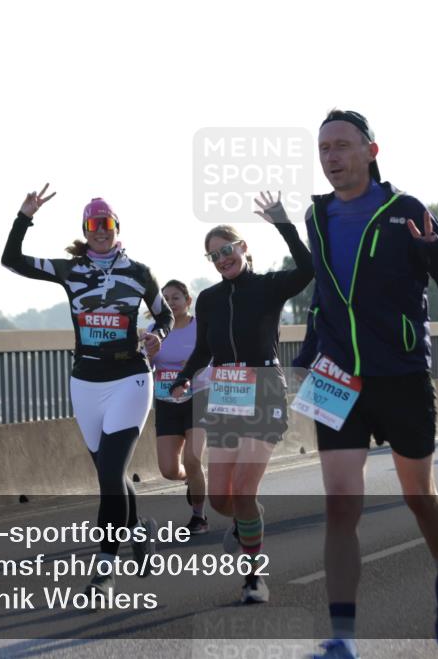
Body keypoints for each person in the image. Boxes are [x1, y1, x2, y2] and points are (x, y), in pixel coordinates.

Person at [291, 110, 438, 658]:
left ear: (372, 151)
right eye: (323, 148)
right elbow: (325, 294)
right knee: (340, 506)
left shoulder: (406, 210)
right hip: (336, 375)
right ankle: (343, 637)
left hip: (401, 374)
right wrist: (308, 352)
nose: (331, 157)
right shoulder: (316, 215)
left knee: (420, 498)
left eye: (342, 146)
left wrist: (431, 251)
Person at [1, 186, 172, 600]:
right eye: (94, 225)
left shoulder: (139, 272)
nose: (101, 231)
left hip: (130, 378)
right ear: (85, 229)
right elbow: (12, 261)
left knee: (111, 474)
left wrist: (157, 334)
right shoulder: (70, 270)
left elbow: (163, 312)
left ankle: (104, 571)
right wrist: (25, 215)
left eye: (107, 224)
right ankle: (138, 533)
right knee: (110, 476)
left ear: (117, 228)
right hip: (85, 382)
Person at [170, 190, 313, 605]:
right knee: (222, 500)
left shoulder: (268, 287)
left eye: (227, 250)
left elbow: (307, 269)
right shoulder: (211, 300)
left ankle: (253, 577)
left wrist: (283, 223)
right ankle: (246, 522)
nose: (222, 259)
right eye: (213, 256)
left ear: (243, 248)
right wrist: (183, 377)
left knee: (245, 493)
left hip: (265, 390)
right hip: (226, 395)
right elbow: (203, 351)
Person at [148, 279, 209, 535]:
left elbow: (214, 358)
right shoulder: (155, 329)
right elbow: (147, 366)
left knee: (194, 460)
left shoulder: (201, 327)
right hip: (166, 402)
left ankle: (199, 516)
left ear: (188, 301)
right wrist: (149, 356)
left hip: (198, 397)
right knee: (169, 470)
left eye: (176, 297)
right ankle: (190, 480)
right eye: (166, 299)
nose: (171, 303)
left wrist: (192, 366)